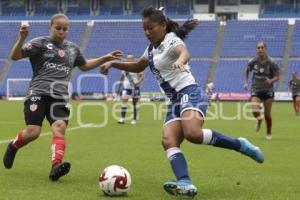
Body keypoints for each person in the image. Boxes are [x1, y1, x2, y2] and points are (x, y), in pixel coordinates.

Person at [100, 7, 264, 198]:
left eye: (150, 28)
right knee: (168, 140)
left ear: (162, 26)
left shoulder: (171, 39)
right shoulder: (150, 49)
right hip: (174, 100)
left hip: (189, 92)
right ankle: (184, 182)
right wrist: (112, 63)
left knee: (193, 133)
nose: (147, 32)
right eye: (144, 29)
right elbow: (138, 65)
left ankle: (240, 145)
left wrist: (181, 60)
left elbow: (184, 52)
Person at [2, 14, 122, 181]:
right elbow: (15, 56)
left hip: (58, 97)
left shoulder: (72, 49)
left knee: (59, 127)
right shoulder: (39, 44)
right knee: (33, 132)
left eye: (65, 29)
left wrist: (105, 58)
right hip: (38, 93)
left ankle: (55, 166)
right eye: (58, 28)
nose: (61, 31)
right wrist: (21, 38)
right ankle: (13, 145)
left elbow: (85, 65)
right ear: (50, 27)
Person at [243, 41, 280, 140]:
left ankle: (268, 132)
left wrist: (271, 80)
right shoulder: (253, 61)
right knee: (255, 109)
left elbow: (278, 76)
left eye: (262, 47)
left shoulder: (272, 62)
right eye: (258, 48)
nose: (260, 49)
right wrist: (246, 82)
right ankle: (259, 119)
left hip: (268, 91)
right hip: (256, 90)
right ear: (256, 50)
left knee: (268, 115)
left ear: (266, 49)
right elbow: (246, 71)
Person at [118, 54, 144, 125]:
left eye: (130, 58)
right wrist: (120, 86)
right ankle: (122, 118)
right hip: (126, 87)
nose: (129, 60)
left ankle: (134, 119)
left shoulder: (137, 67)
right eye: (128, 58)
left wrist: (138, 82)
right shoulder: (124, 67)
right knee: (124, 100)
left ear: (133, 59)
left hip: (135, 87)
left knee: (134, 103)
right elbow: (122, 77)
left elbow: (142, 76)